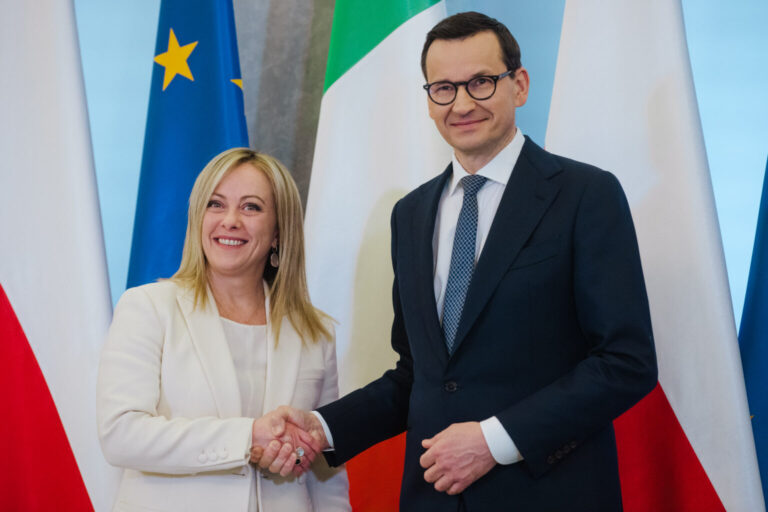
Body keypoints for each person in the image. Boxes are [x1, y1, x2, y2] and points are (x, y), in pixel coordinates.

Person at [264, 11, 657, 512]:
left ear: (519, 85)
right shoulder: (411, 214)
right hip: (433, 498)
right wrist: (321, 427)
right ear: (428, 99)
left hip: (551, 495)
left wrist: (494, 440)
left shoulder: (586, 195)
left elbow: (627, 362)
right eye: (443, 88)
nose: (462, 103)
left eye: (481, 82)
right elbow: (419, 374)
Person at [97, 148, 350, 512]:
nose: (230, 220)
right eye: (215, 204)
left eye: (251, 207)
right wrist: (248, 437)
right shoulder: (148, 307)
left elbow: (326, 468)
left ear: (279, 232)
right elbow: (120, 436)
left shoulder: (315, 331)